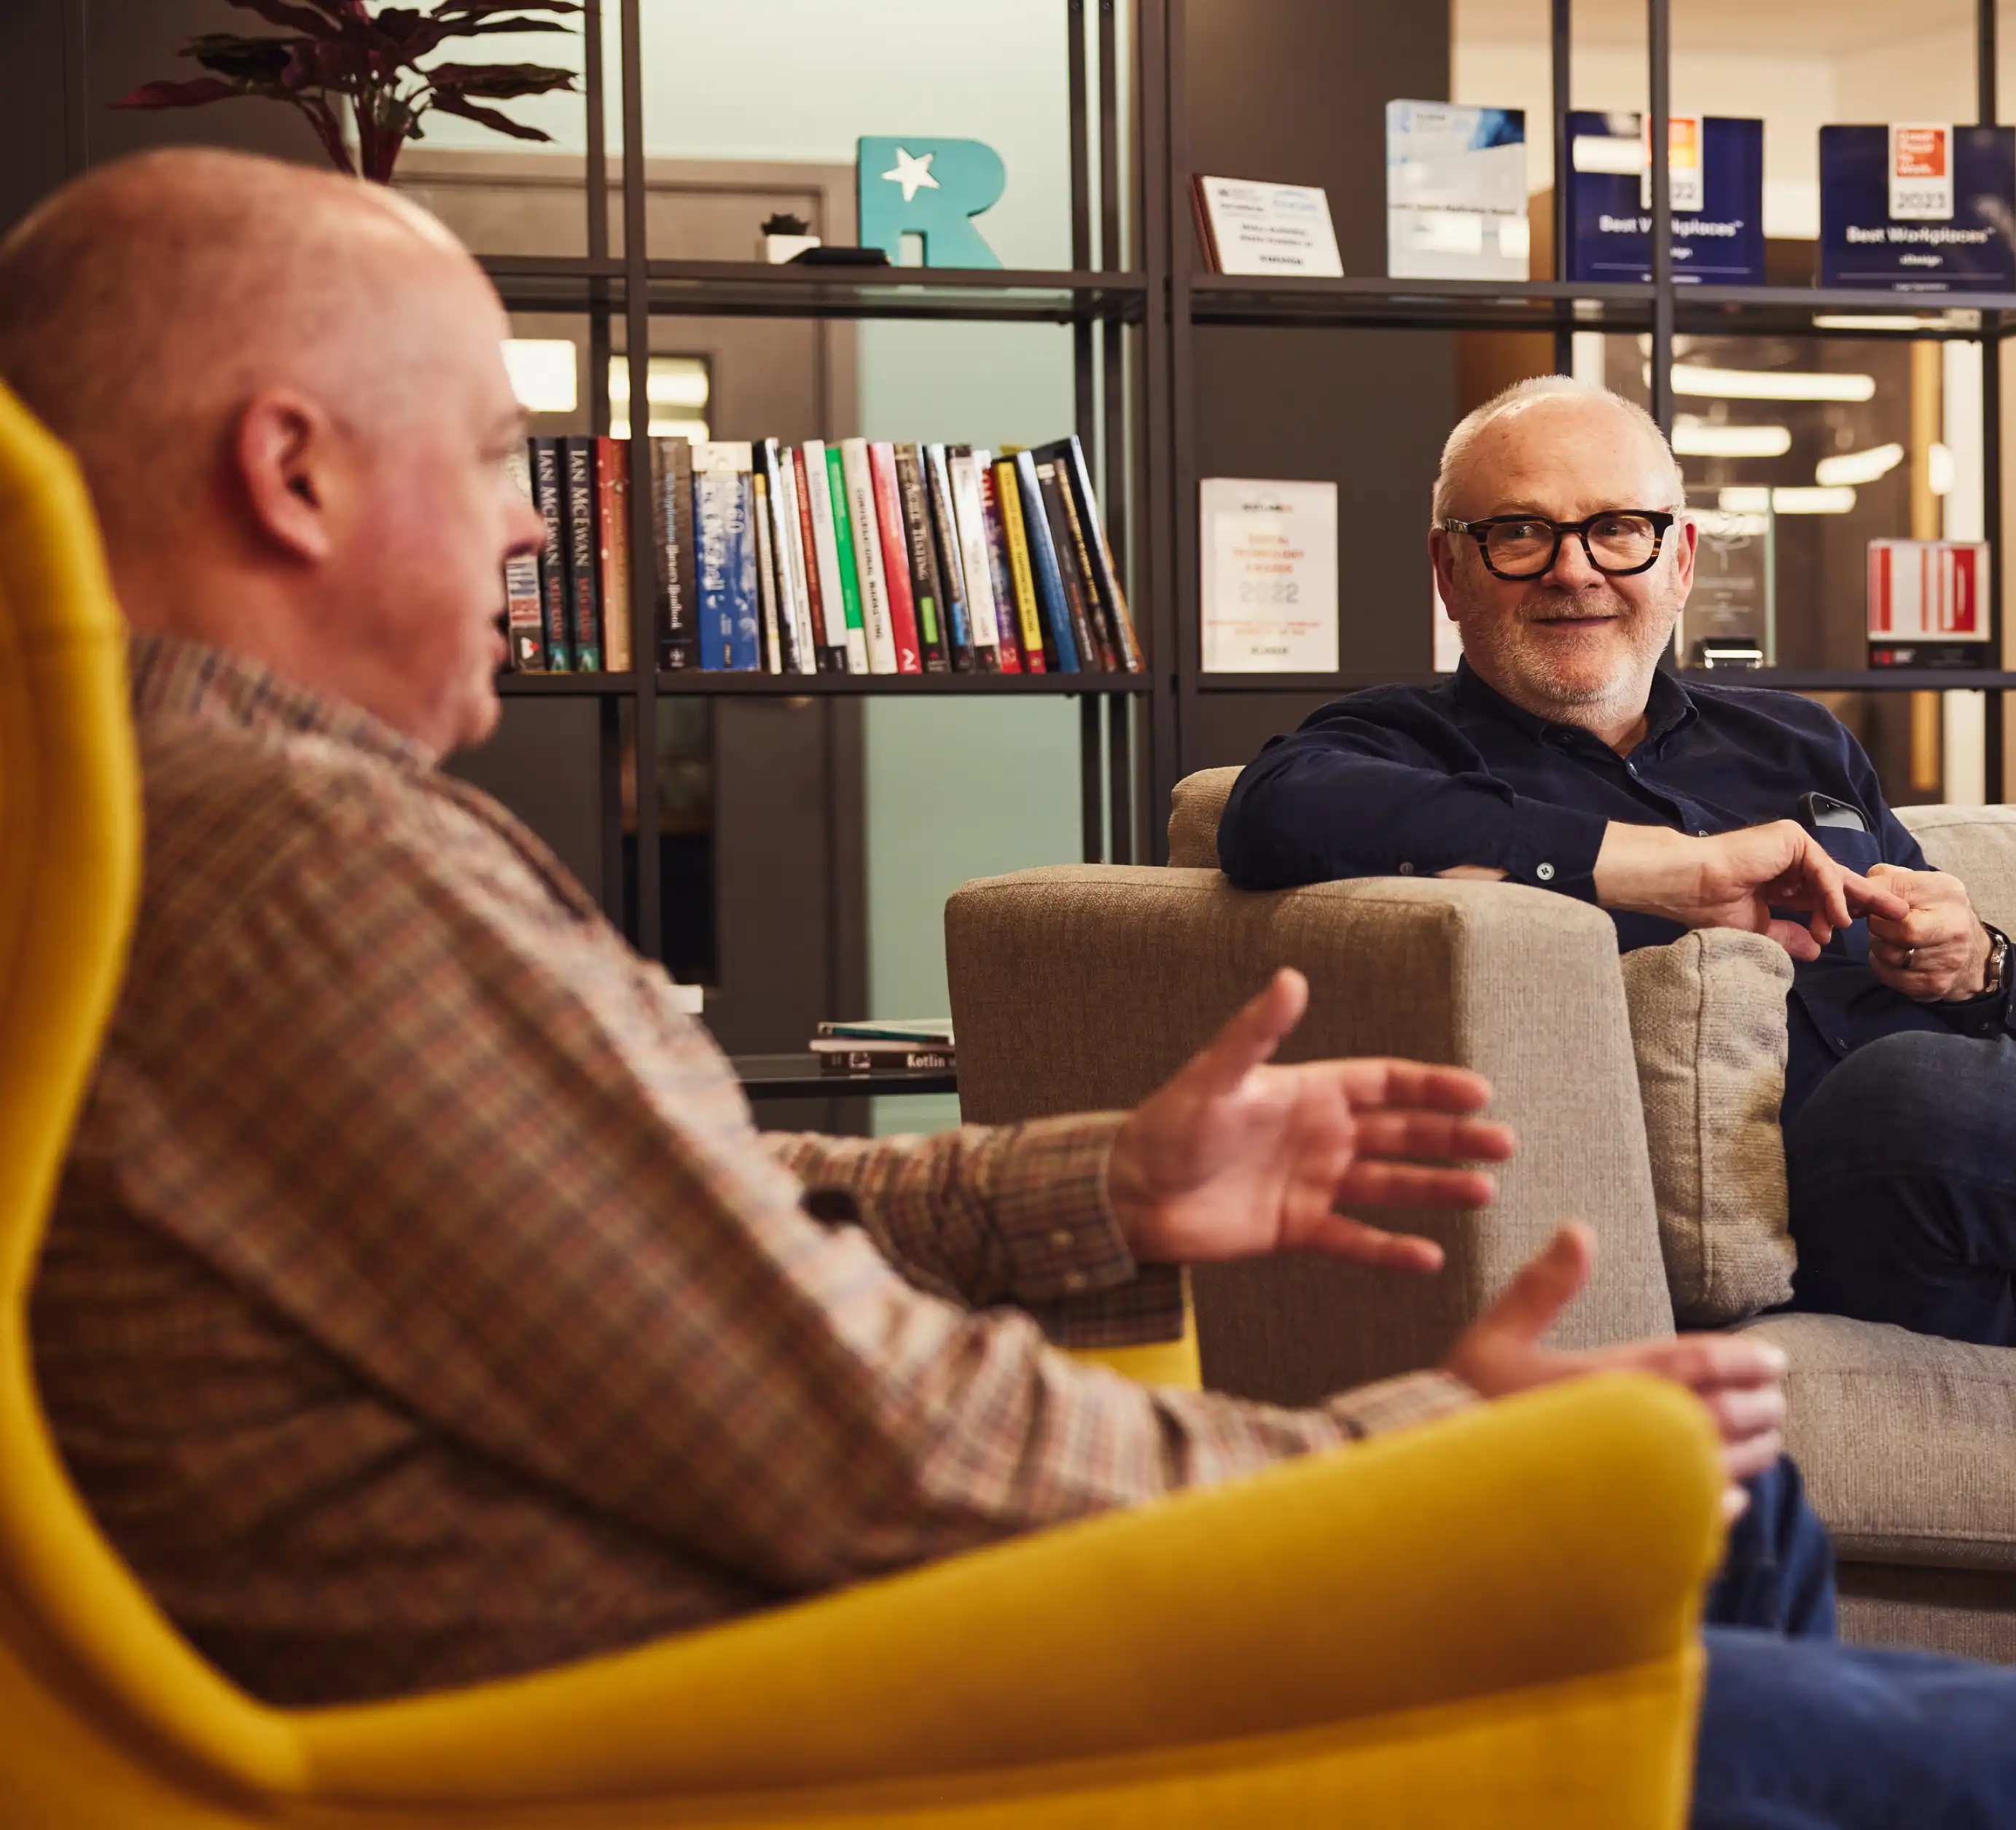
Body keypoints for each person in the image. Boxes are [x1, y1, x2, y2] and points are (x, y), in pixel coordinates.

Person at [3, 149, 2014, 1828]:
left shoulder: (190, 835)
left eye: (1616, 531)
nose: (536, 521)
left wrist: (1101, 1182)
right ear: (293, 471)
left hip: (819, 1614)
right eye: (497, 453)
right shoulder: (305, 870)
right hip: (857, 1692)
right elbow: (875, 1455)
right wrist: (1418, 1445)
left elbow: (662, 1201)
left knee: (1718, 1495)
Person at [1219, 372, 2016, 1350]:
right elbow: (1272, 813)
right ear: (1448, 570)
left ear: (1678, 559)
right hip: (1829, 1194)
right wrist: (1651, 867)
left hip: (1976, 1187)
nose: (1573, 569)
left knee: (1949, 1078)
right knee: (1914, 1090)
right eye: (1519, 532)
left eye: (1618, 529)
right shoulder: (1397, 746)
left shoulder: (1800, 741)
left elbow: (1937, 954)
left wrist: (1975, 963)